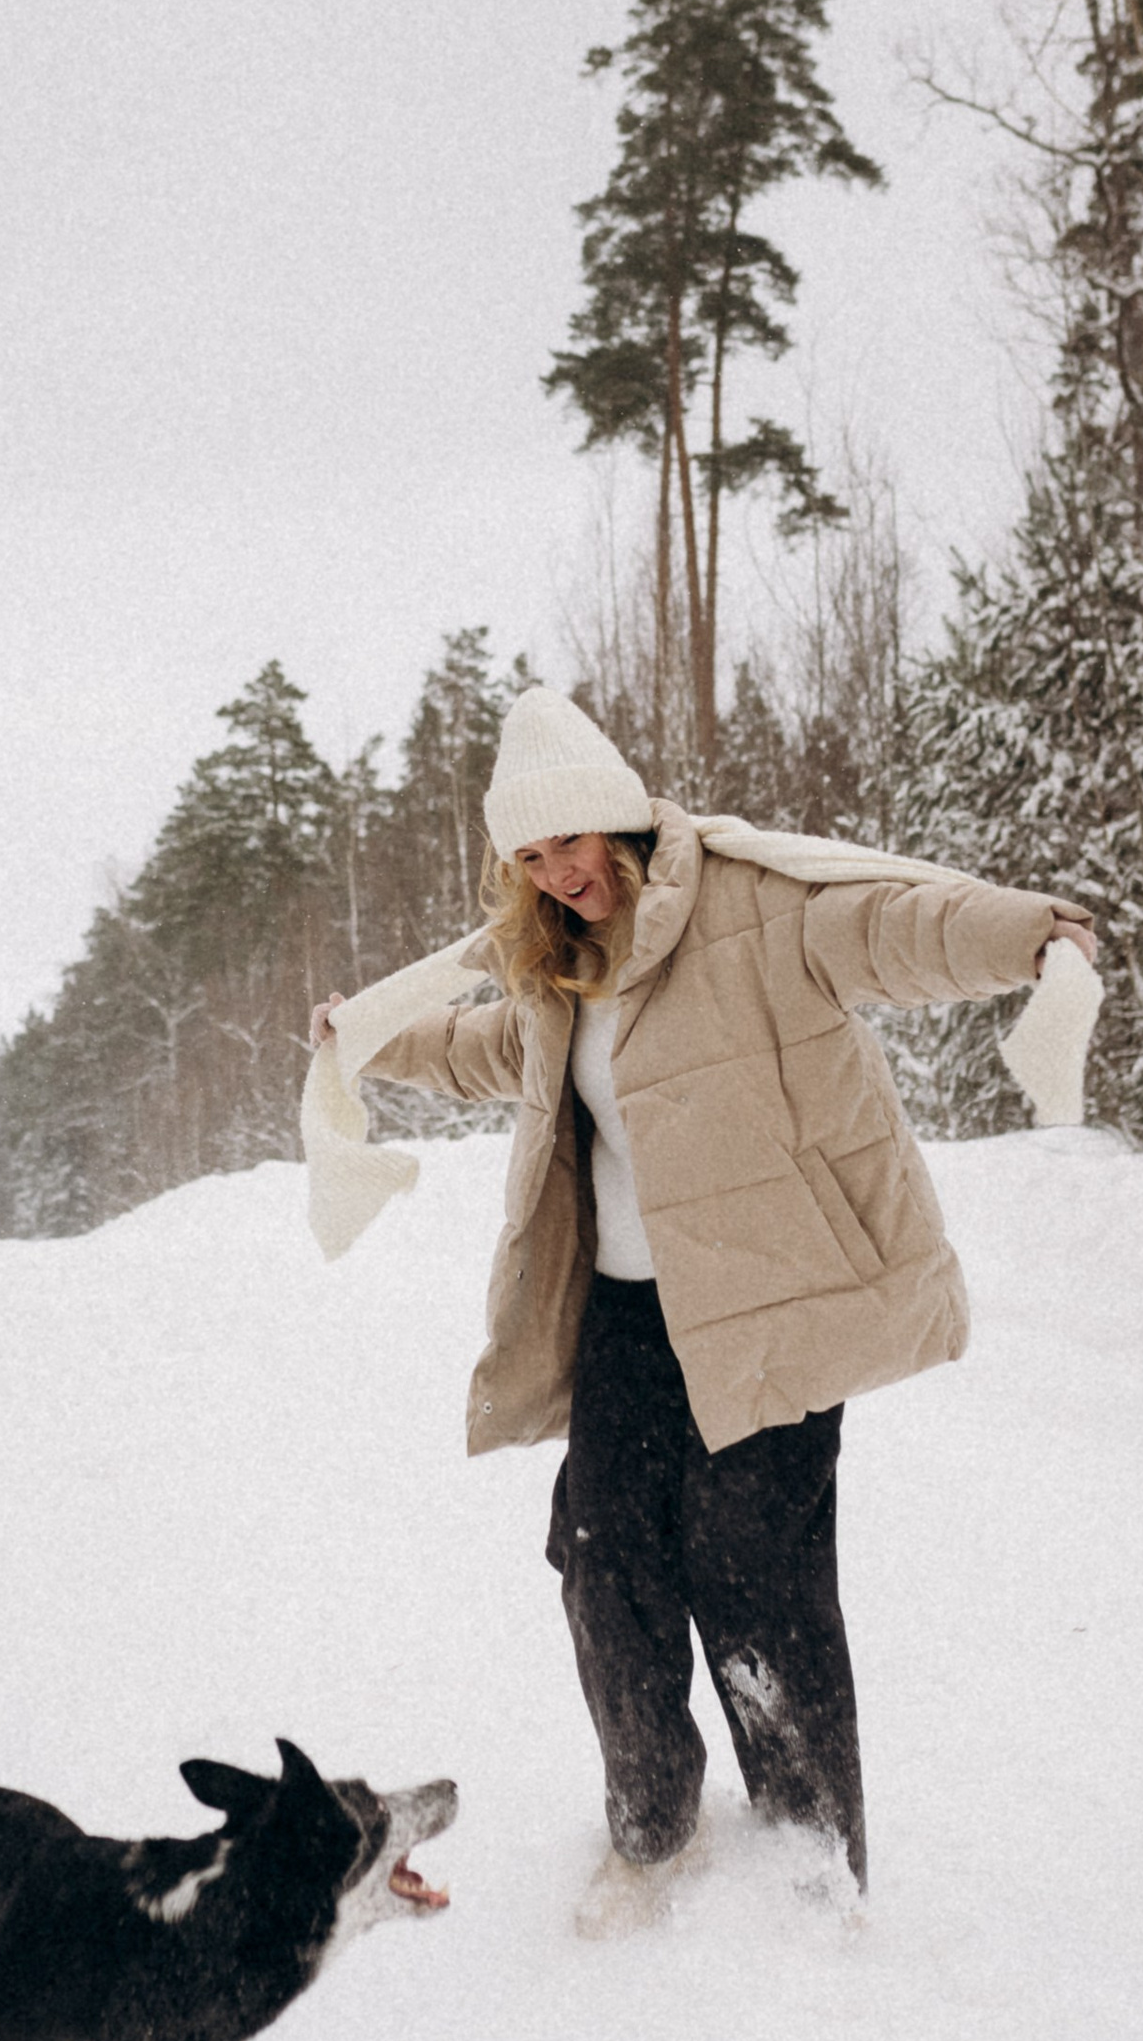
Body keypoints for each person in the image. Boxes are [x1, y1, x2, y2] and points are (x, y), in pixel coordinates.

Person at [310, 686, 1098, 1935]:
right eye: (528, 856)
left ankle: (808, 1850)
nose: (558, 873)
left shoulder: (750, 905)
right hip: (625, 1317)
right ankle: (652, 1825)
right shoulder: (554, 968)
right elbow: (488, 1058)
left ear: (617, 818)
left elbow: (892, 926)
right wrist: (371, 1041)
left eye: (568, 840)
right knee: (603, 1564)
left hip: (765, 1304)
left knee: (759, 1578)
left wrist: (1022, 935)